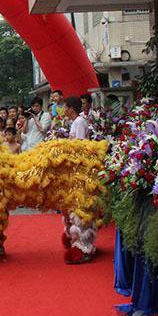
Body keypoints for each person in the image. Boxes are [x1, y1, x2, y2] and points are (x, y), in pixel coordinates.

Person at [61, 96, 97, 264]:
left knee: (80, 209)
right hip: (74, 171)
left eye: (65, 107)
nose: (63, 110)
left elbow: (81, 148)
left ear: (71, 109)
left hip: (80, 171)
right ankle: (77, 240)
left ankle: (84, 246)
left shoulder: (80, 122)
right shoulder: (75, 122)